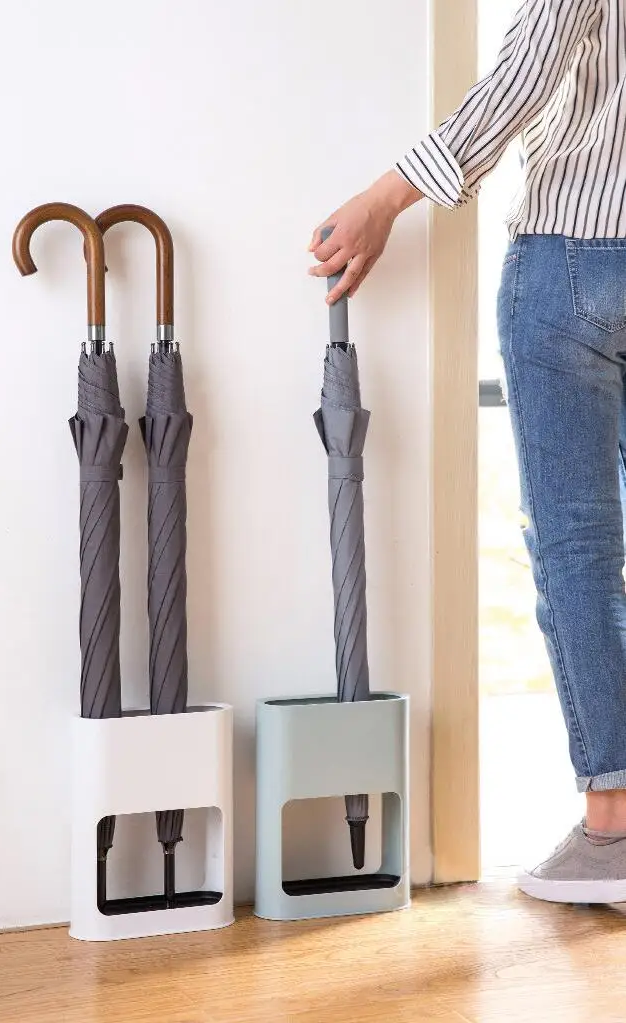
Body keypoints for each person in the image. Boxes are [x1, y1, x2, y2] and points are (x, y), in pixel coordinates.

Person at [310, 0, 626, 906]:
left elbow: (525, 73)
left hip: (574, 258)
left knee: (577, 548)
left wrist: (385, 198)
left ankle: (614, 824)